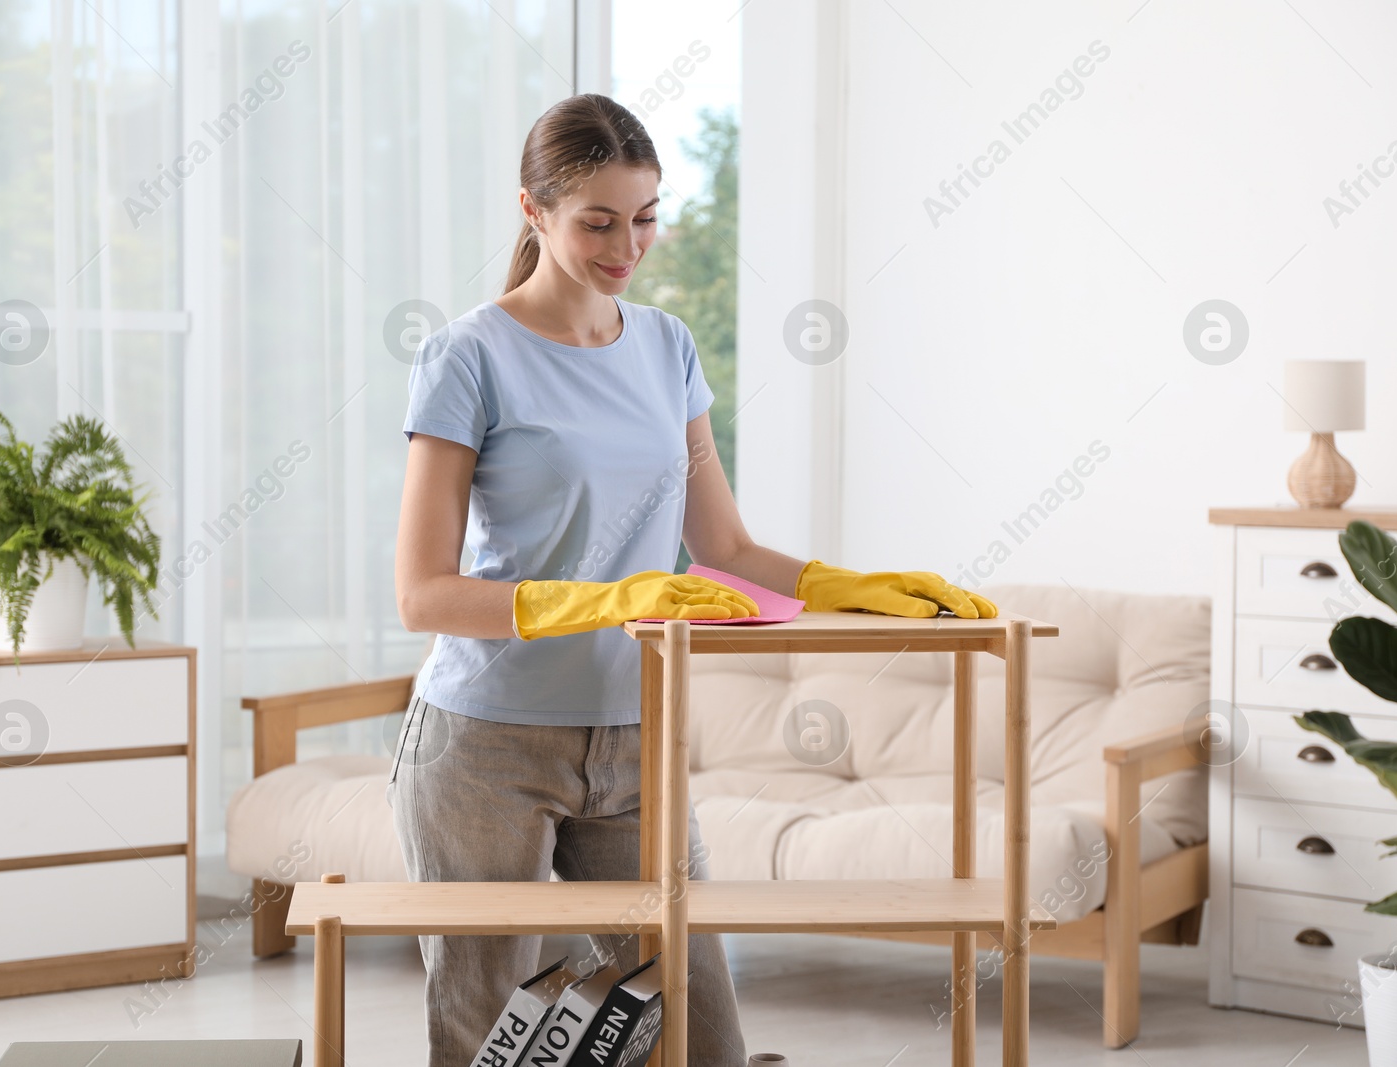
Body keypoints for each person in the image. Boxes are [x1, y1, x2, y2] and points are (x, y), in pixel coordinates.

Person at [390, 92, 996, 1067]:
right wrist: (609, 597)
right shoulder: (469, 355)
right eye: (597, 220)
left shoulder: (666, 347)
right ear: (532, 210)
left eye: (645, 216)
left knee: (699, 1030)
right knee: (483, 1038)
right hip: (484, 745)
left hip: (637, 732)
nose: (626, 244)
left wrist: (852, 582)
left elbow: (725, 547)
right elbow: (422, 592)